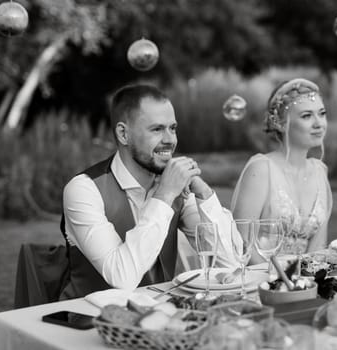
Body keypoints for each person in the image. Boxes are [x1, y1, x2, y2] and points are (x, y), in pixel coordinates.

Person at [60, 84, 239, 299]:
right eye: (157, 129)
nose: (170, 139)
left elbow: (229, 264)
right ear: (123, 134)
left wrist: (204, 194)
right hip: (91, 321)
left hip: (161, 318)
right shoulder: (84, 190)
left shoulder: (176, 187)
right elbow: (121, 277)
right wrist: (164, 196)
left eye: (172, 128)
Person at [231, 78, 332, 262]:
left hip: (305, 284)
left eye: (322, 113)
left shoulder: (320, 171)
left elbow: (318, 249)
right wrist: (277, 283)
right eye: (307, 116)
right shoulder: (261, 169)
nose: (319, 123)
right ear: (281, 123)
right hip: (260, 281)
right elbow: (242, 242)